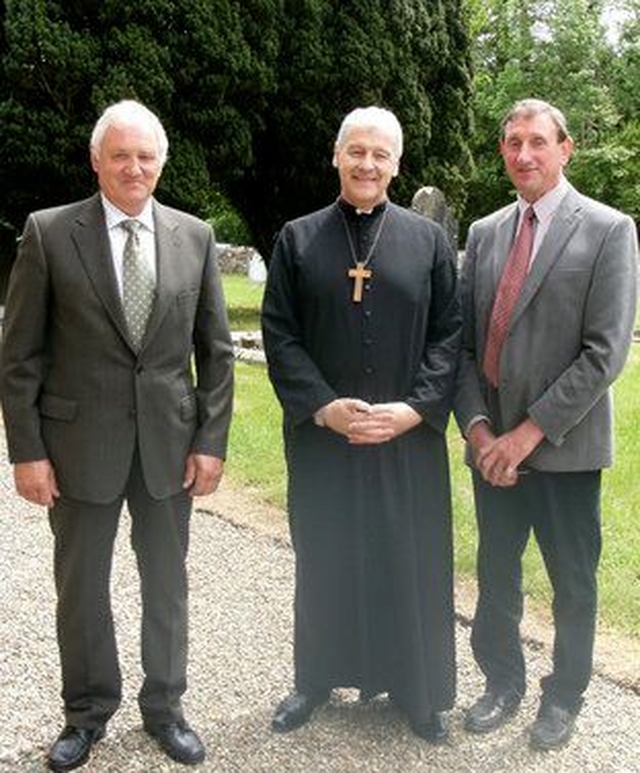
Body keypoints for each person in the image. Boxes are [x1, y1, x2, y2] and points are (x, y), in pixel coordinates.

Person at [0, 100, 234, 770]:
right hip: (77, 452)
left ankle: (166, 708)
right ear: (96, 160)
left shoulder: (194, 236)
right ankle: (86, 713)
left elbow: (215, 352)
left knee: (168, 583)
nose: (134, 167)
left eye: (146, 156)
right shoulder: (48, 234)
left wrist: (211, 440)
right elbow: (19, 358)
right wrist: (27, 451)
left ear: (161, 162)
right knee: (81, 587)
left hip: (169, 447)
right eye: (121, 155)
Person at [261, 106, 461, 742]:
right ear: (337, 156)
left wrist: (414, 410)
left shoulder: (427, 242)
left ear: (396, 164)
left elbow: (450, 334)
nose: (367, 164)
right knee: (324, 557)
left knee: (409, 558)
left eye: (380, 154)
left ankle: (416, 690)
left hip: (405, 439)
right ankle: (314, 679)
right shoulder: (297, 238)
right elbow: (280, 333)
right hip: (327, 440)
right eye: (357, 152)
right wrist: (322, 405)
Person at [455, 98, 637, 751]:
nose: (524, 154)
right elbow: (465, 347)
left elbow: (605, 352)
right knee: (496, 571)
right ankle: (501, 681)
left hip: (563, 449)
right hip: (492, 451)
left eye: (537, 141)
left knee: (573, 582)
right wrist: (479, 431)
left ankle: (564, 696)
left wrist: (526, 433)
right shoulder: (484, 232)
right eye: (512, 142)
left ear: (566, 148)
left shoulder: (610, 230)